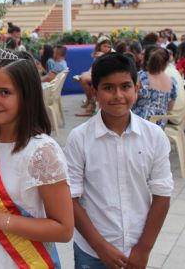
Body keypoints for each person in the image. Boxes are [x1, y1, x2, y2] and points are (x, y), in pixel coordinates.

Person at [0, 50, 73, 268]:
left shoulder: (42, 152)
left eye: (5, 92)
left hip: (19, 260)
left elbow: (64, 230)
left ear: (27, 96)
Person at [64, 53, 173, 269]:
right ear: (94, 92)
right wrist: (100, 246)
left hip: (135, 249)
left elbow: (162, 194)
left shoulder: (154, 136)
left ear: (137, 88)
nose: (118, 95)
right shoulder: (79, 138)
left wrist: (144, 248)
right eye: (108, 88)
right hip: (91, 251)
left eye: (125, 86)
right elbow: (70, 198)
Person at [132, 48, 177, 129]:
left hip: (140, 120)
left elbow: (132, 100)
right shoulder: (171, 81)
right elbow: (170, 107)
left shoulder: (141, 76)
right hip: (159, 123)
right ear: (166, 64)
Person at [76, 36, 113, 116]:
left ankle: (90, 105)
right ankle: (89, 102)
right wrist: (87, 73)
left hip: (107, 77)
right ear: (99, 46)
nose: (107, 48)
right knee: (83, 77)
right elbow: (94, 67)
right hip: (100, 75)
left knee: (89, 81)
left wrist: (102, 57)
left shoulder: (110, 54)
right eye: (104, 46)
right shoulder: (98, 54)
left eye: (108, 47)